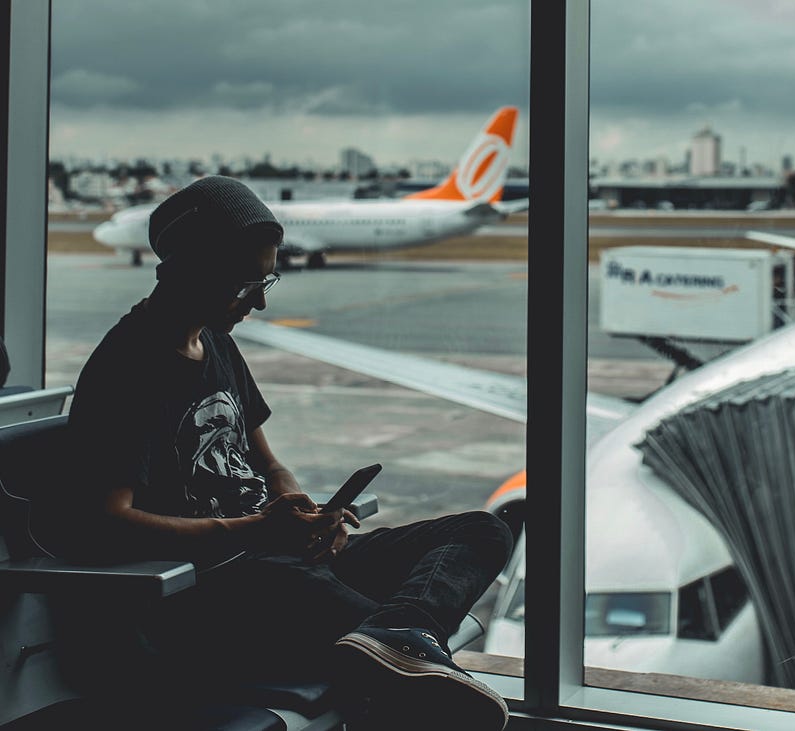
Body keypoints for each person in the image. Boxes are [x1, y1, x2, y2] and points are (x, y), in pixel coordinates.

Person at [68, 176, 514, 730]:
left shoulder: (218, 343)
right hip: (215, 589)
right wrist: (255, 531)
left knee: (480, 531)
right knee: (390, 649)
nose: (257, 300)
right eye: (246, 282)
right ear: (194, 269)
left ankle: (395, 636)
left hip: (276, 556)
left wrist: (300, 509)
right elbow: (107, 521)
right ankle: (397, 641)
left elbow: (267, 462)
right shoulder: (128, 367)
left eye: (265, 281)